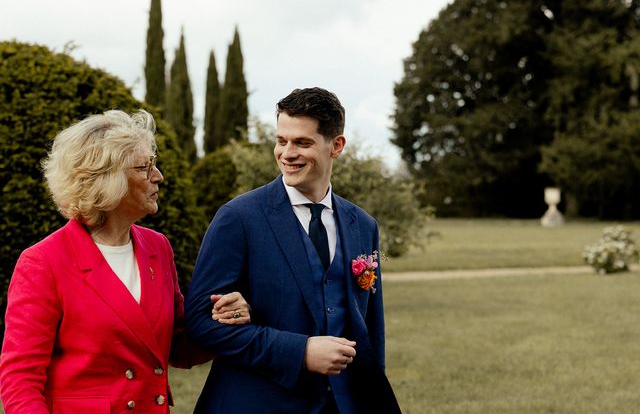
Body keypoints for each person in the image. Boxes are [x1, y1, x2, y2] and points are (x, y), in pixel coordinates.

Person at [0, 109, 251, 413]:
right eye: (144, 168)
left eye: (153, 165)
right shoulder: (42, 262)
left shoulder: (158, 248)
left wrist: (224, 320)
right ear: (105, 180)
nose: (158, 176)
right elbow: (20, 381)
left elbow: (178, 346)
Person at [185, 87, 401, 413]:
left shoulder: (363, 225)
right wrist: (299, 351)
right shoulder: (238, 218)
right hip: (259, 402)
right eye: (281, 140)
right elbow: (200, 322)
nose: (287, 153)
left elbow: (371, 325)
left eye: (302, 143)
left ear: (336, 146)